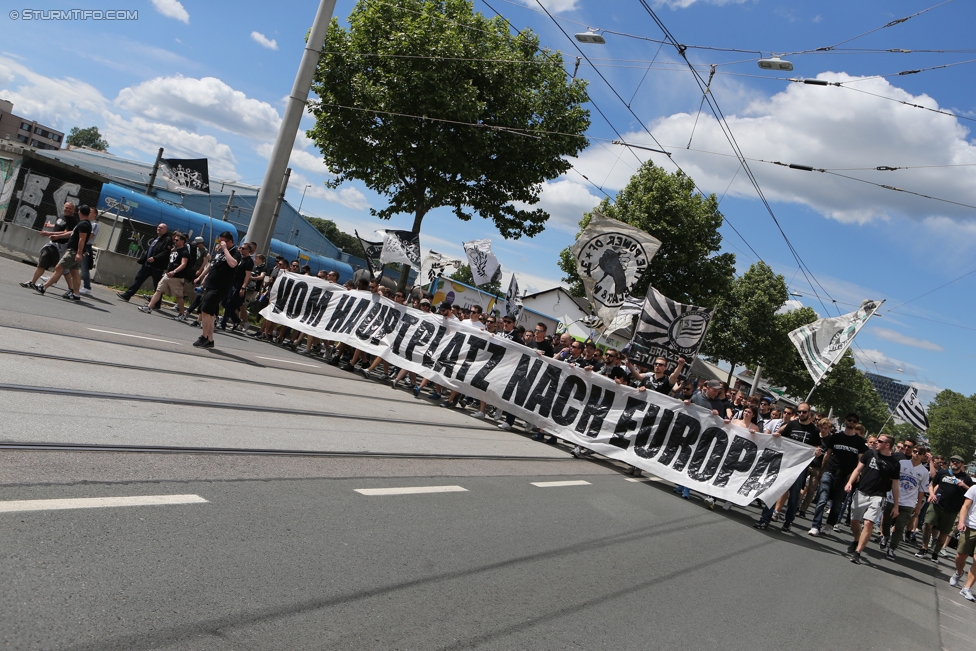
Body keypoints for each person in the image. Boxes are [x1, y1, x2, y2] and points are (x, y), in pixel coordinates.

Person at [754, 402, 819, 532]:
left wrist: (818, 451)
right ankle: (764, 519)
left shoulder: (814, 430)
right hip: (785, 463)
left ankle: (788, 521)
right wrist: (777, 435)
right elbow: (781, 438)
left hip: (800, 467)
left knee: (794, 496)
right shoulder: (791, 425)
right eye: (799, 411)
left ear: (809, 413)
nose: (801, 414)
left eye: (804, 412)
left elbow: (817, 447)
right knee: (774, 490)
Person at [808, 414, 867, 537]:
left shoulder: (860, 441)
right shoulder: (836, 437)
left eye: (854, 421)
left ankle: (829, 524)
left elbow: (860, 461)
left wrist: (857, 475)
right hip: (830, 470)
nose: (851, 422)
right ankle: (815, 525)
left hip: (845, 476)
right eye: (849, 420)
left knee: (837, 503)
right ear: (845, 421)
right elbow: (827, 454)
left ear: (856, 423)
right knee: (822, 499)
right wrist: (822, 470)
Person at [845, 434, 901, 564]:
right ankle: (856, 539)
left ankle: (858, 552)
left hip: (878, 495)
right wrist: (849, 483)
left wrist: (896, 505)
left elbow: (895, 485)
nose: (876, 442)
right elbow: (858, 469)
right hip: (862, 492)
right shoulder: (869, 454)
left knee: (869, 523)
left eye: (879, 441)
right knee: (854, 520)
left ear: (887, 445)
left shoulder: (894, 464)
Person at [917, 455, 973, 563]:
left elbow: (973, 492)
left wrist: (964, 486)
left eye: (957, 462)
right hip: (936, 504)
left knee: (944, 532)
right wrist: (932, 494)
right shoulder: (943, 473)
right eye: (952, 461)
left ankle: (935, 553)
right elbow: (932, 484)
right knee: (927, 524)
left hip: (951, 510)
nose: (954, 463)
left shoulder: (966, 478)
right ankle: (924, 548)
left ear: (961, 464)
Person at [33, 204, 95, 300]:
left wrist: (78, 253)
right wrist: (57, 236)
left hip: (73, 251)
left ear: (80, 212)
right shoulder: (83, 223)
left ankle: (43, 287)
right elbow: (71, 233)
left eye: (78, 210)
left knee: (59, 267)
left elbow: (82, 239)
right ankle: (76, 294)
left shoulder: (84, 224)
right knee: (74, 273)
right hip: (74, 251)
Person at [879, 442, 928, 561]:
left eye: (919, 453)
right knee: (886, 522)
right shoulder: (901, 463)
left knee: (900, 526)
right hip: (893, 498)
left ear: (923, 456)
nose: (916, 454)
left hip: (909, 503)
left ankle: (892, 548)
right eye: (915, 451)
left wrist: (918, 506)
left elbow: (922, 491)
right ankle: (885, 536)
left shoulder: (924, 472)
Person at [193, 231, 240, 349]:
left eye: (223, 241)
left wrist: (225, 249)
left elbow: (233, 264)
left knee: (204, 310)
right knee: (210, 313)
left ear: (230, 241)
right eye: (220, 241)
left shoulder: (235, 252)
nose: (220, 243)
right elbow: (214, 265)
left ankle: (203, 337)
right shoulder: (219, 252)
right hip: (211, 284)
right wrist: (205, 277)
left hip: (221, 287)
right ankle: (210, 339)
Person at [20, 201, 79, 291]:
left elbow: (65, 233)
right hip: (52, 245)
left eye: (70, 208)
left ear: (73, 210)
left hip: (61, 247)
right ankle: (32, 282)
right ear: (63, 207)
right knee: (42, 263)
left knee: (63, 269)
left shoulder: (73, 221)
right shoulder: (61, 217)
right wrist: (50, 226)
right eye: (66, 207)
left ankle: (71, 288)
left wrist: (49, 233)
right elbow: (59, 226)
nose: (67, 209)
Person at [138, 232, 190, 317]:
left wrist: (174, 272)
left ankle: (182, 314)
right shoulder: (175, 249)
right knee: (158, 290)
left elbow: (183, 264)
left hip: (176, 277)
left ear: (182, 241)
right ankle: (149, 307)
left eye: (177, 240)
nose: (175, 242)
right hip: (167, 275)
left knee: (179, 296)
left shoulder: (184, 252)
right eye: (174, 240)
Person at [117, 223, 172, 301]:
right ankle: (127, 295)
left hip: (157, 267)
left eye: (161, 228)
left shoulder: (167, 239)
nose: (158, 228)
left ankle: (156, 303)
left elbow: (166, 252)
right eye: (158, 227)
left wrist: (155, 258)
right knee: (139, 279)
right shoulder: (156, 238)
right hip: (147, 265)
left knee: (157, 285)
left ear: (165, 230)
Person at [953, 482, 976, 601]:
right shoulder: (974, 488)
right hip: (970, 527)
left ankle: (966, 588)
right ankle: (959, 571)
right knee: (960, 556)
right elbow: (965, 506)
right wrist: (961, 522)